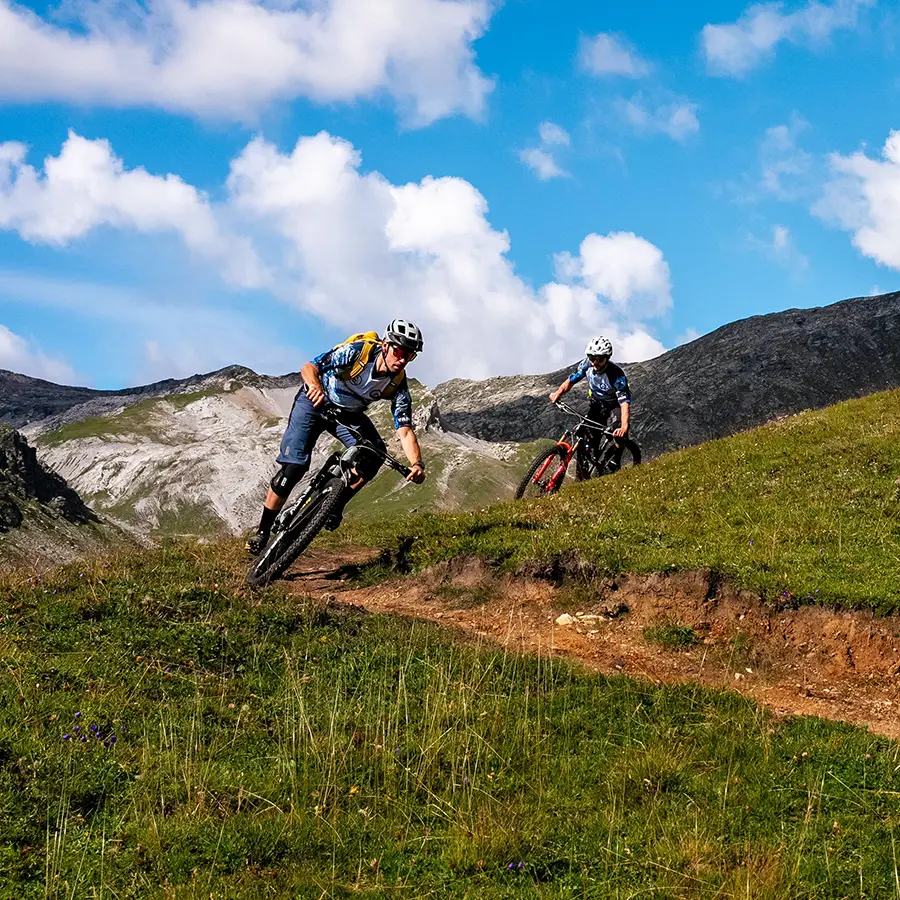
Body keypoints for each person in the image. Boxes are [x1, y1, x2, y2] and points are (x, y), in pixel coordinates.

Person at [246, 319, 427, 555]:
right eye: (400, 351)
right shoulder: (357, 352)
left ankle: (335, 504)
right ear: (385, 345)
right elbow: (309, 367)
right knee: (293, 468)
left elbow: (405, 429)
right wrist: (315, 387)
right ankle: (262, 532)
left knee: (374, 455)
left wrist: (417, 464)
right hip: (315, 402)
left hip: (349, 414)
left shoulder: (398, 384)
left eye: (410, 355)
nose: (402, 359)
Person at [548, 335, 631, 470]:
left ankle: (616, 458)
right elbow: (571, 381)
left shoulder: (616, 375)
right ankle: (587, 468)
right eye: (592, 358)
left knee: (618, 431)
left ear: (607, 358)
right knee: (586, 433)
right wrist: (558, 393)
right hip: (597, 404)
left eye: (600, 359)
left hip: (614, 405)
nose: (594, 363)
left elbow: (624, 403)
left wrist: (624, 427)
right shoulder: (586, 364)